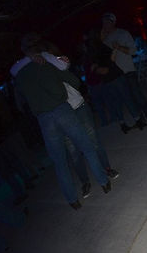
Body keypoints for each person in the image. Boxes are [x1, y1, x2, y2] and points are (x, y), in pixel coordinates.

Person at [13, 33, 113, 210]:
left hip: (43, 119)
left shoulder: (18, 74)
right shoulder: (46, 61)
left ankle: (72, 200)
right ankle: (103, 182)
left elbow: (20, 103)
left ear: (23, 50)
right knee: (87, 147)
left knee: (60, 162)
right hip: (62, 110)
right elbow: (74, 81)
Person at [101, 12, 147, 125]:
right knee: (129, 100)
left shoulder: (123, 33)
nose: (105, 24)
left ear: (113, 22)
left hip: (128, 71)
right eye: (103, 22)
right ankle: (140, 120)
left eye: (107, 22)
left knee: (138, 96)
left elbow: (133, 51)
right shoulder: (105, 40)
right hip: (116, 75)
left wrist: (119, 47)